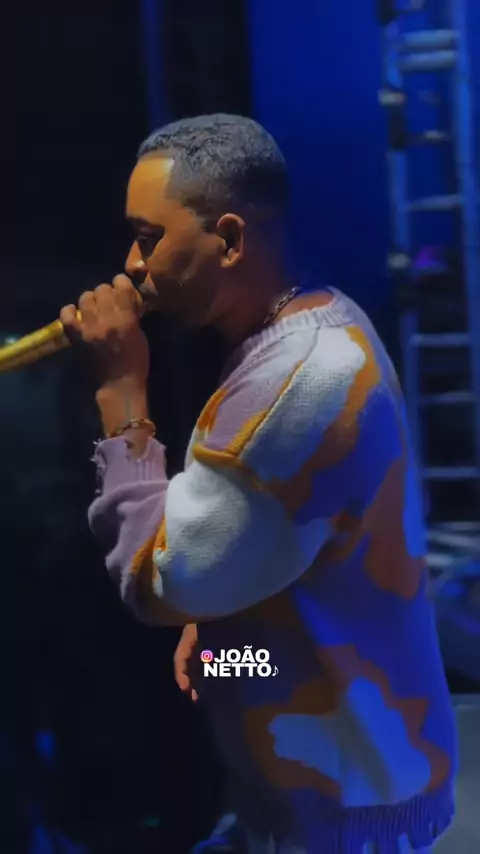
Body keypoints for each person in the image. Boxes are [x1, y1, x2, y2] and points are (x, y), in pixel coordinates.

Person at [60, 114, 457, 854]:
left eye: (148, 238)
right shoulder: (308, 336)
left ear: (231, 239)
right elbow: (257, 577)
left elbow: (160, 580)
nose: (131, 265)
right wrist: (222, 643)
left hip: (341, 822)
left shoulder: (301, 382)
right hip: (299, 799)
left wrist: (121, 395)